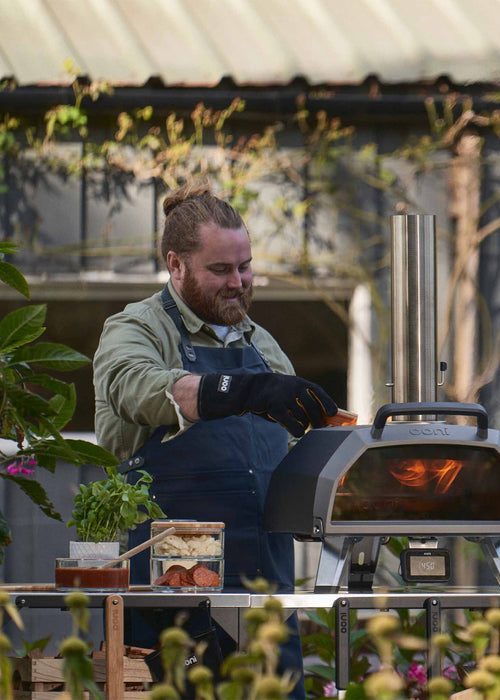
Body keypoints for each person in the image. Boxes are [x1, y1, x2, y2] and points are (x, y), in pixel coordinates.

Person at [93, 181, 338, 697]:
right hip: (168, 602)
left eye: (245, 266)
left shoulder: (261, 343)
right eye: (221, 270)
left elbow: (294, 464)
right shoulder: (136, 328)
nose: (239, 282)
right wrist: (240, 389)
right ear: (176, 265)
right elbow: (134, 386)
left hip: (266, 603)